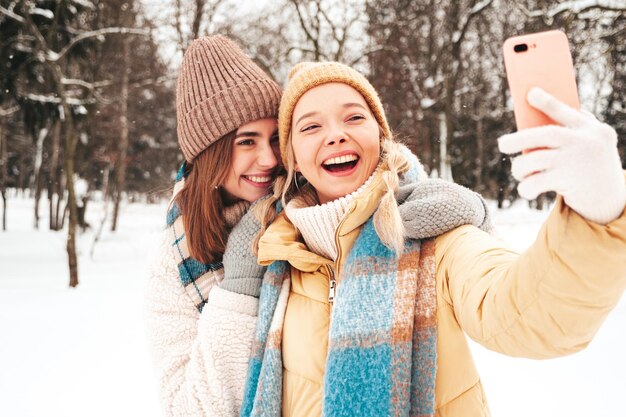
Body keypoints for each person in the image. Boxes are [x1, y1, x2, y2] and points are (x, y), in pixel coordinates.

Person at [238, 62, 626, 417]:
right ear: (291, 155)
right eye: (310, 127)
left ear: (380, 135)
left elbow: (529, 314)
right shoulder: (276, 257)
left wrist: (595, 212)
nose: (336, 135)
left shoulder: (436, 232)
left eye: (354, 117)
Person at [144, 35, 282, 417]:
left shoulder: (307, 208)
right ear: (211, 153)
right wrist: (238, 288)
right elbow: (189, 409)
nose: (269, 158)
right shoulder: (174, 264)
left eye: (274, 138)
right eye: (247, 142)